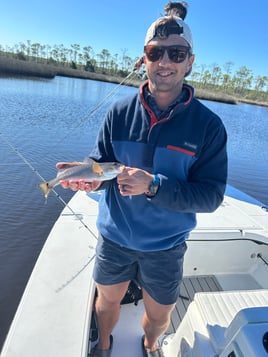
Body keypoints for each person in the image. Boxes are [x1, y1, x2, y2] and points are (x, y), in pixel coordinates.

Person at [58, 2, 228, 356]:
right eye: (156, 52)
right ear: (145, 58)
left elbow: (211, 196)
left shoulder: (209, 127)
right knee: (106, 302)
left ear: (190, 61)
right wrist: (89, 178)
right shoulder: (118, 113)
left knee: (159, 314)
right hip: (114, 237)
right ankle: (103, 345)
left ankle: (151, 346)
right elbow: (102, 164)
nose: (165, 62)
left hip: (166, 247)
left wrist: (154, 185)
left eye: (176, 53)